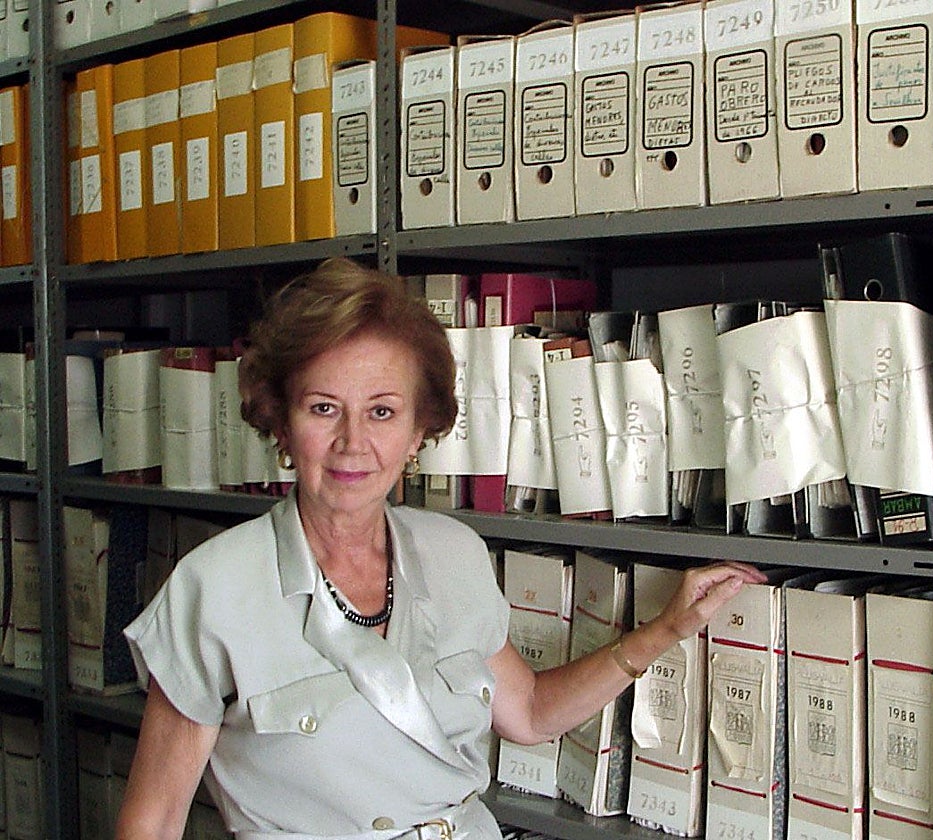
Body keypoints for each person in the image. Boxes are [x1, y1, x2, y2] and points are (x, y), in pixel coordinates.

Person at [116, 257, 765, 840]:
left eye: (381, 412)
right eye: (322, 408)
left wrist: (665, 630)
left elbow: (531, 713)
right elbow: (151, 824)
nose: (352, 442)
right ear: (280, 420)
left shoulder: (453, 552)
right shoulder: (213, 590)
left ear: (420, 429)